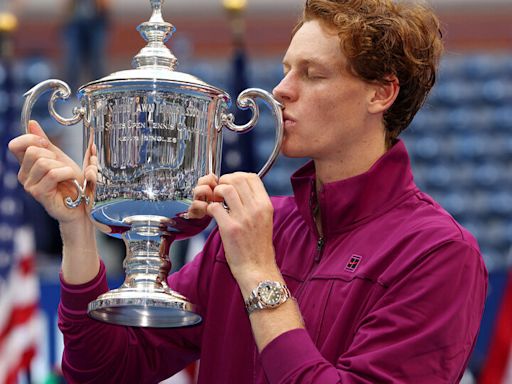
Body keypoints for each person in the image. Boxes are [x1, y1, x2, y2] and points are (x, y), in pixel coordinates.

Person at [9, 0, 488, 382]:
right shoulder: (255, 228)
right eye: (285, 69)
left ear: (381, 93)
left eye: (313, 74)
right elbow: (103, 371)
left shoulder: (438, 253)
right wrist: (76, 230)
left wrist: (259, 273)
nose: (281, 90)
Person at [62, 0, 110, 89]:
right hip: (76, 22)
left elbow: (104, 5)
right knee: (73, 59)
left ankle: (99, 89)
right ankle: (70, 91)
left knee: (96, 59)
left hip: (96, 22)